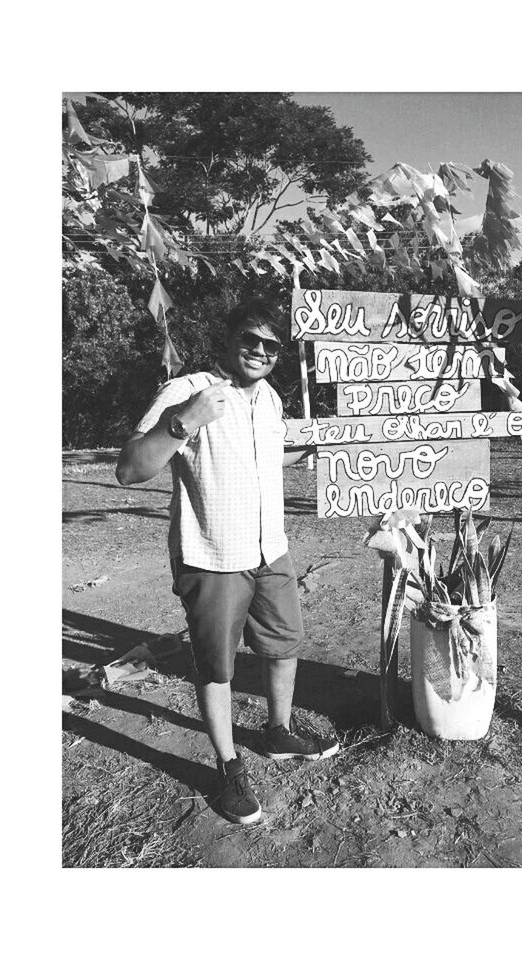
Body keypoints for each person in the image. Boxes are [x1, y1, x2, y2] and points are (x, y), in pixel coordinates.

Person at [116, 297, 337, 825]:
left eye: (271, 345)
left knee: (284, 646)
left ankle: (277, 731)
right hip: (212, 553)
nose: (260, 351)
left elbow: (265, 452)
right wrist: (184, 421)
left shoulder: (270, 400)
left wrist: (318, 446)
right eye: (250, 339)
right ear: (230, 339)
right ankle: (228, 763)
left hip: (269, 548)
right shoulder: (189, 390)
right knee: (217, 665)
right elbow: (130, 469)